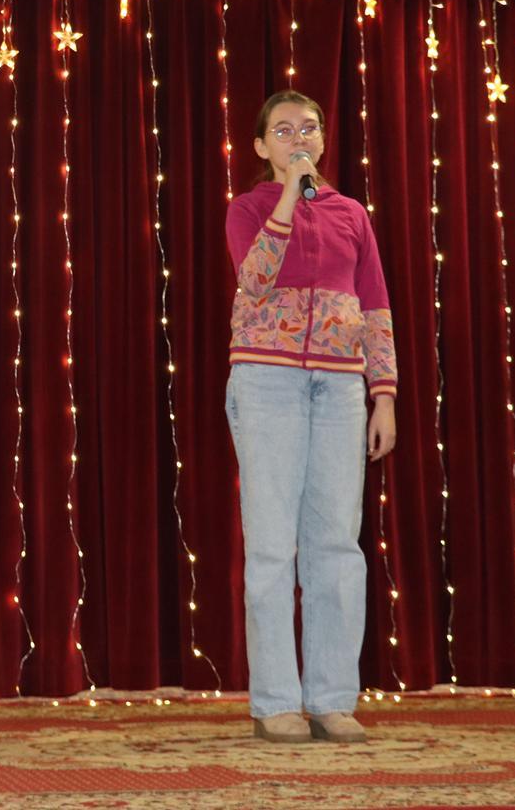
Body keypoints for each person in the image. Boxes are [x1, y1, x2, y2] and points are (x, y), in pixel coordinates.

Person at [224, 90, 398, 744]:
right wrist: (289, 199)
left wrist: (384, 393)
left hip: (340, 386)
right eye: (283, 130)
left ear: (323, 139)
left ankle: (331, 697)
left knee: (336, 545)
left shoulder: (352, 214)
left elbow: (375, 305)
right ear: (261, 145)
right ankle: (275, 701)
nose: (299, 138)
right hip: (266, 382)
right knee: (272, 545)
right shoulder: (248, 209)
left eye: (309, 128)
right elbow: (254, 279)